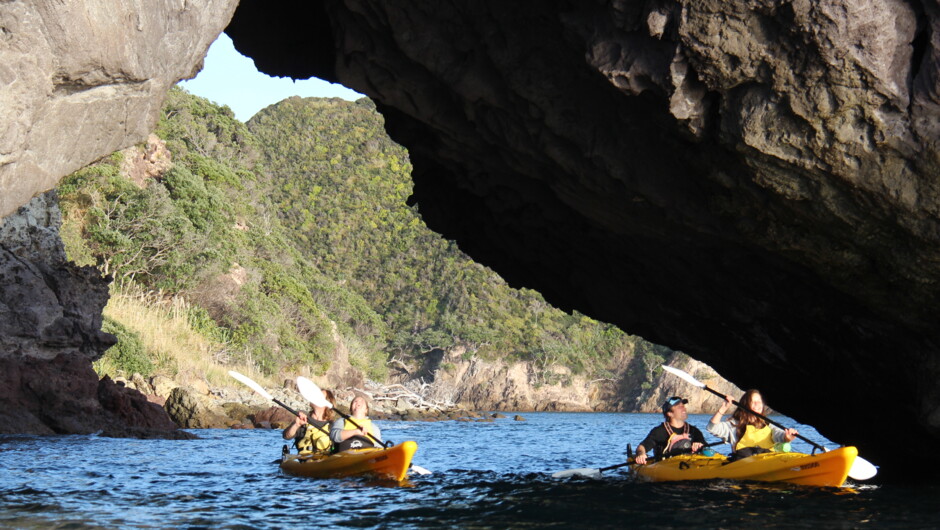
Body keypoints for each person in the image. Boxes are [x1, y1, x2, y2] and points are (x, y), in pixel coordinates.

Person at [707, 389, 798, 458]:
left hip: (766, 460)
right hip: (743, 462)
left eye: (759, 402)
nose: (757, 404)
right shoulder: (734, 425)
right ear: (746, 405)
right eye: (753, 402)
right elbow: (712, 428)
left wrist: (787, 437)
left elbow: (779, 434)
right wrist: (723, 408)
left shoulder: (768, 424)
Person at [634, 396, 706, 465]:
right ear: (670, 414)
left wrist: (701, 445)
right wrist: (641, 454)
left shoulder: (694, 431)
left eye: (683, 406)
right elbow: (642, 447)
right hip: (665, 467)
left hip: (690, 465)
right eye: (679, 407)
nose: (684, 409)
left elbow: (706, 448)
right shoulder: (659, 432)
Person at [282, 388, 336, 454]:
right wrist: (296, 425)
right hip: (304, 460)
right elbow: (286, 436)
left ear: (326, 404)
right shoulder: (303, 417)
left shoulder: (332, 426)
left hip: (325, 461)